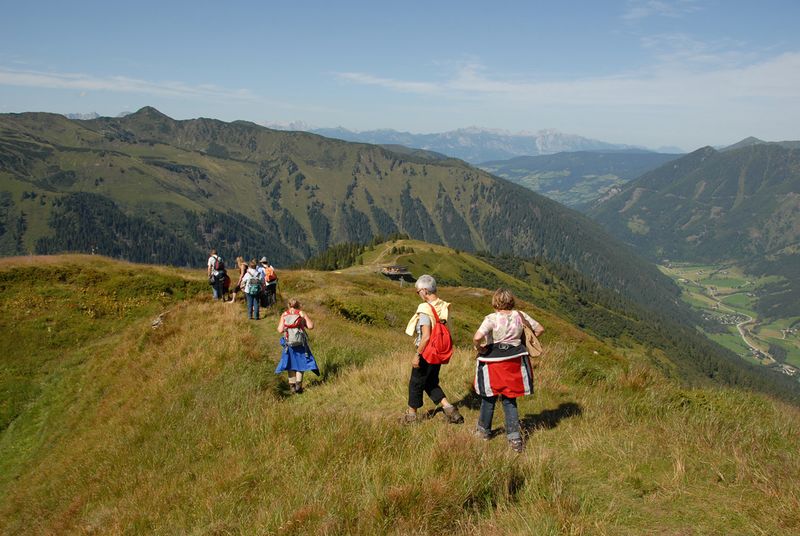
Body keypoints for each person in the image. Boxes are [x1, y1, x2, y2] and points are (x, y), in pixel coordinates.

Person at [472, 288, 544, 452]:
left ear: (495, 302)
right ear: (511, 301)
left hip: (493, 364)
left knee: (489, 397)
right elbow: (539, 329)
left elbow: (477, 337)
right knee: (509, 400)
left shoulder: (491, 318)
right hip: (514, 362)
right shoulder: (520, 316)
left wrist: (480, 348)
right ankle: (515, 439)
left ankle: (483, 432)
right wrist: (525, 343)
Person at [402, 274, 463, 424]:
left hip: (427, 351)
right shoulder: (443, 305)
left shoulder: (424, 308)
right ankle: (450, 410)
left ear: (424, 290)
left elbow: (426, 336)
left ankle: (411, 416)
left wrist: (417, 354)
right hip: (439, 351)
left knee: (415, 382)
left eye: (418, 292)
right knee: (430, 382)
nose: (418, 295)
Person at [275, 298, 319, 393]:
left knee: (290, 364)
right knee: (301, 363)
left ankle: (292, 386)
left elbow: (279, 330)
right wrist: (305, 317)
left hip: (289, 343)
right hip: (301, 343)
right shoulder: (301, 313)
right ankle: (299, 385)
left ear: (289, 305)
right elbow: (311, 326)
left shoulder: (284, 314)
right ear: (298, 305)